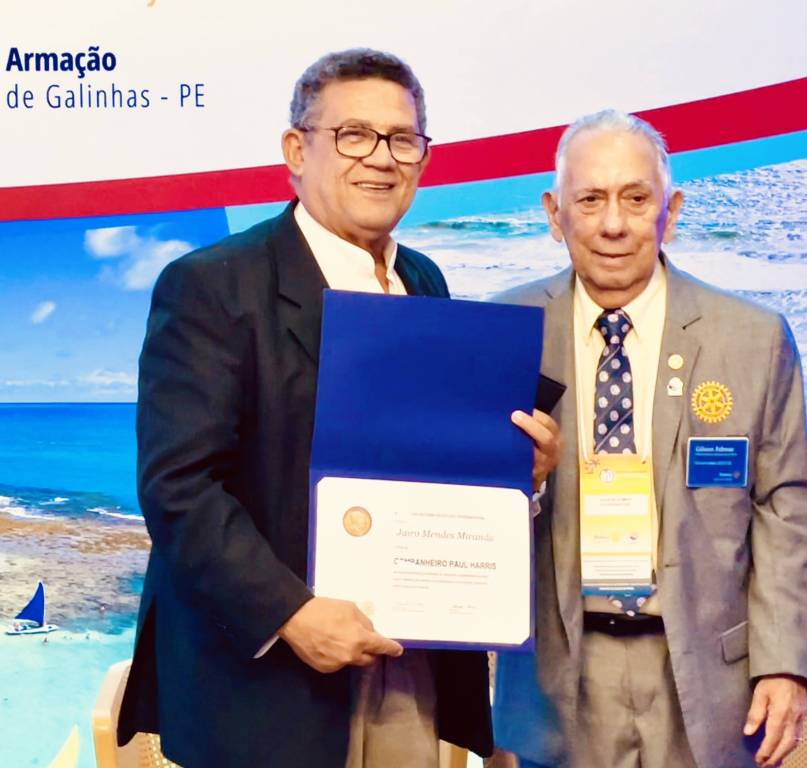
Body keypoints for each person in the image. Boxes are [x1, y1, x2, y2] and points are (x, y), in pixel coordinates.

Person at [116, 48, 560, 768]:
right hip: (264, 690)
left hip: (405, 669)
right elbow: (179, 489)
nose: (381, 158)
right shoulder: (212, 284)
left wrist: (515, 472)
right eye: (353, 135)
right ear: (297, 151)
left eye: (403, 139)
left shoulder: (424, 279)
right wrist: (290, 614)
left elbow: (428, 465)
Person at [492, 110, 807, 768]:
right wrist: (524, 483)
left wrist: (786, 662)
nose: (613, 224)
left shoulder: (752, 338)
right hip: (557, 682)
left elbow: (789, 507)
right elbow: (469, 503)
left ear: (670, 212)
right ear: (554, 214)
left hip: (709, 681)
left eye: (636, 199)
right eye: (590, 200)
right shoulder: (503, 329)